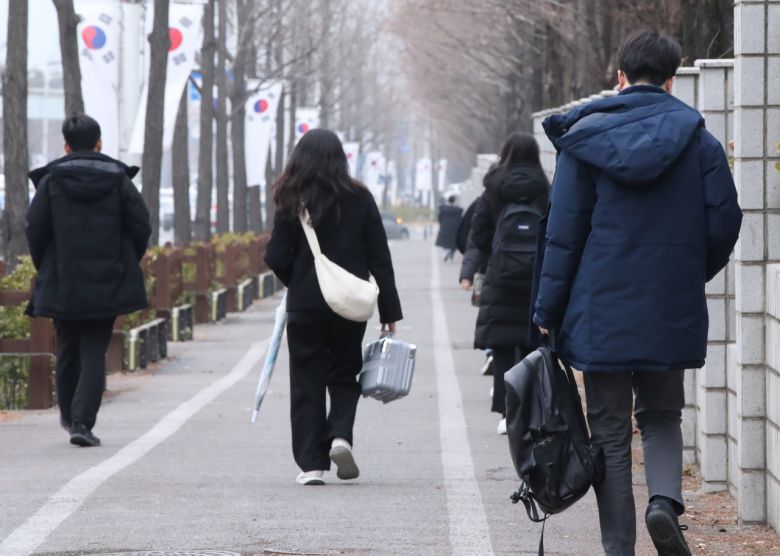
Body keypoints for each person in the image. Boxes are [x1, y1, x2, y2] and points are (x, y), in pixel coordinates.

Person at [533, 30, 742, 556]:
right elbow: (725, 221)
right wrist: (688, 273)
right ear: (673, 80)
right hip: (668, 304)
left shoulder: (585, 142)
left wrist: (546, 308)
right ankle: (664, 504)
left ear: (619, 77)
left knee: (607, 431)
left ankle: (618, 546)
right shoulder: (700, 141)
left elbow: (564, 234)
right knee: (662, 414)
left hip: (599, 310)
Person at [264, 129, 403, 486]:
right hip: (348, 304)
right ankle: (340, 435)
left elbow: (276, 255)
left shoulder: (290, 197)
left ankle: (311, 464)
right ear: (341, 159)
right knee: (344, 373)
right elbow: (380, 259)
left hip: (305, 305)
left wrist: (296, 282)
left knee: (306, 380)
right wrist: (389, 312)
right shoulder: (360, 197)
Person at [26, 114, 151, 448]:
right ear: (100, 143)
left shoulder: (51, 181)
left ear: (66, 146)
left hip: (63, 278)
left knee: (66, 346)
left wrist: (47, 265)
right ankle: (83, 420)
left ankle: (69, 416)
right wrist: (125, 260)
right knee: (94, 347)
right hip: (107, 277)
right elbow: (141, 226)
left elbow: (35, 229)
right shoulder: (118, 180)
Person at [461, 132, 549, 435]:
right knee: (529, 345)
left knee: (501, 348)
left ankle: (504, 410)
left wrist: (469, 271)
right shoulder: (544, 187)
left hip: (500, 275)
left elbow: (479, 234)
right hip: (536, 277)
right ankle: (526, 409)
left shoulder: (494, 187)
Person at [436, 195, 463, 262]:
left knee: (444, 242)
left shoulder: (443, 209)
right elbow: (461, 219)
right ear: (454, 201)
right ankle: (451, 257)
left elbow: (439, 218)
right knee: (453, 244)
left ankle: (446, 252)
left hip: (445, 227)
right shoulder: (459, 210)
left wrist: (441, 224)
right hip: (455, 228)